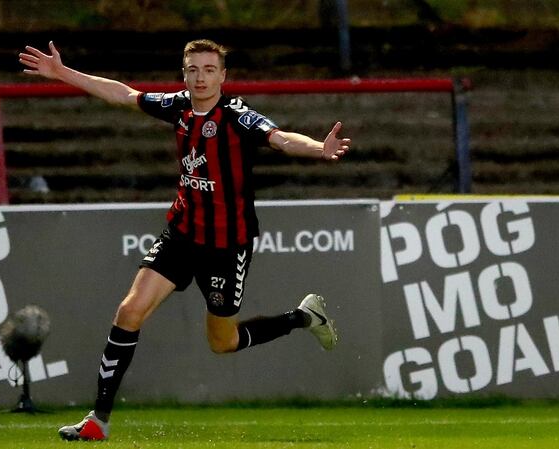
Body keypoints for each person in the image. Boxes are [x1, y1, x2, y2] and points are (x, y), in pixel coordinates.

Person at [19, 39, 350, 441]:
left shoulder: (236, 116)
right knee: (129, 311)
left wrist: (319, 148)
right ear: (184, 73)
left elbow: (280, 138)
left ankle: (303, 317)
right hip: (182, 233)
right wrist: (62, 72)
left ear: (223, 76)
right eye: (192, 69)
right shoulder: (178, 106)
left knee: (223, 342)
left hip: (227, 245)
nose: (200, 77)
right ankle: (98, 420)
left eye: (209, 70)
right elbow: (123, 94)